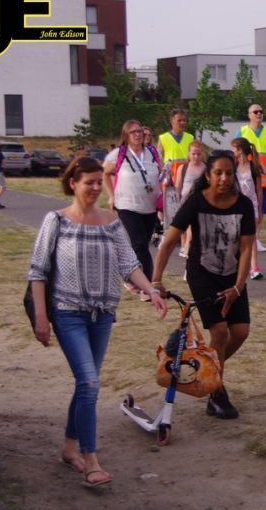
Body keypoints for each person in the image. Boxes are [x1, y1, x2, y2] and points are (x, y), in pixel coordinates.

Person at [28, 157, 167, 488]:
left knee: (85, 384)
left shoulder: (111, 221)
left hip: (102, 314)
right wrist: (41, 317)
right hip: (67, 313)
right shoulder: (56, 221)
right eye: (87, 182)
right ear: (73, 183)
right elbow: (37, 271)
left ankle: (69, 448)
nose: (93, 188)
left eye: (97, 182)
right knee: (90, 383)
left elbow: (128, 264)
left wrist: (151, 290)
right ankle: (90, 459)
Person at [152, 150, 255, 420]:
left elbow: (246, 248)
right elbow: (169, 241)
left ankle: (208, 367)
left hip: (232, 275)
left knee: (240, 332)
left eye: (229, 173)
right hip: (203, 273)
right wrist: (156, 279)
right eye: (218, 173)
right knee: (219, 332)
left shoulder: (244, 204)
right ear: (208, 175)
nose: (224, 178)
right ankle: (217, 393)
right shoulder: (196, 201)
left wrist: (238, 286)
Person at [103, 120, 163, 300]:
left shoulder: (152, 152)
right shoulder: (119, 154)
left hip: (149, 205)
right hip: (127, 205)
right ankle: (148, 287)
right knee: (140, 245)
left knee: (141, 244)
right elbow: (104, 172)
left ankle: (131, 278)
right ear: (126, 135)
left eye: (140, 131)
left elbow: (160, 173)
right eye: (133, 132)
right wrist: (111, 195)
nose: (138, 135)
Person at [236, 103, 266, 252]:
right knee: (245, 208)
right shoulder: (242, 131)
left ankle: (255, 238)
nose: (259, 114)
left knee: (261, 209)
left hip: (264, 180)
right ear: (249, 115)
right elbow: (235, 152)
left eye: (261, 111)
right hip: (246, 179)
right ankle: (242, 237)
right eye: (255, 112)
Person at [230, 137, 265, 279]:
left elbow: (259, 190)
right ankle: (237, 265)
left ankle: (254, 267)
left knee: (251, 236)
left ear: (239, 150)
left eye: (233, 149)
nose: (232, 152)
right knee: (236, 236)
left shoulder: (253, 167)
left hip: (252, 205)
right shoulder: (233, 167)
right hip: (237, 205)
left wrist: (260, 209)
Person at [158, 109, 194, 230]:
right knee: (170, 206)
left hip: (186, 177)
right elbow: (158, 160)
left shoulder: (190, 137)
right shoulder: (163, 138)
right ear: (172, 121)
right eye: (179, 120)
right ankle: (168, 230)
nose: (182, 123)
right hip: (170, 179)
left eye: (184, 120)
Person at [174, 140, 206, 257]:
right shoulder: (183, 168)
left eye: (198, 154)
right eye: (193, 154)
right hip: (185, 200)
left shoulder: (206, 168)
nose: (196, 157)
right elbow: (178, 186)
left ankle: (188, 246)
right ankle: (184, 246)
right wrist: (177, 201)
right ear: (188, 154)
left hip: (200, 201)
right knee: (184, 226)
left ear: (202, 154)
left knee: (193, 225)